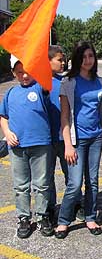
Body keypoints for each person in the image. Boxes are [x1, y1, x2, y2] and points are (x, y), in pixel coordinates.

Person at [55, 41, 102, 239]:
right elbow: (65, 117)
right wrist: (68, 144)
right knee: (75, 183)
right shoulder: (68, 82)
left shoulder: (101, 83)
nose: (87, 60)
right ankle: (63, 221)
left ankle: (90, 216)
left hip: (96, 138)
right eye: (83, 57)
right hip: (76, 140)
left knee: (92, 181)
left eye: (91, 56)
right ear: (77, 59)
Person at [0, 56, 54, 238]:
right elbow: (4, 117)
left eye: (27, 71)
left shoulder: (40, 88)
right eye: (20, 72)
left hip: (40, 144)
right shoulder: (10, 93)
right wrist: (7, 133)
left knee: (41, 184)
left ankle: (42, 216)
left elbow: (47, 80)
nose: (24, 75)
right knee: (21, 185)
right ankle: (23, 217)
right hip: (17, 146)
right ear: (14, 73)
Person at [47, 45, 67, 221]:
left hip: (65, 137)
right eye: (59, 60)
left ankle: (73, 203)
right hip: (46, 139)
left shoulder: (64, 82)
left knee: (72, 175)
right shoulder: (40, 84)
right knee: (48, 176)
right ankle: (49, 207)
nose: (63, 63)